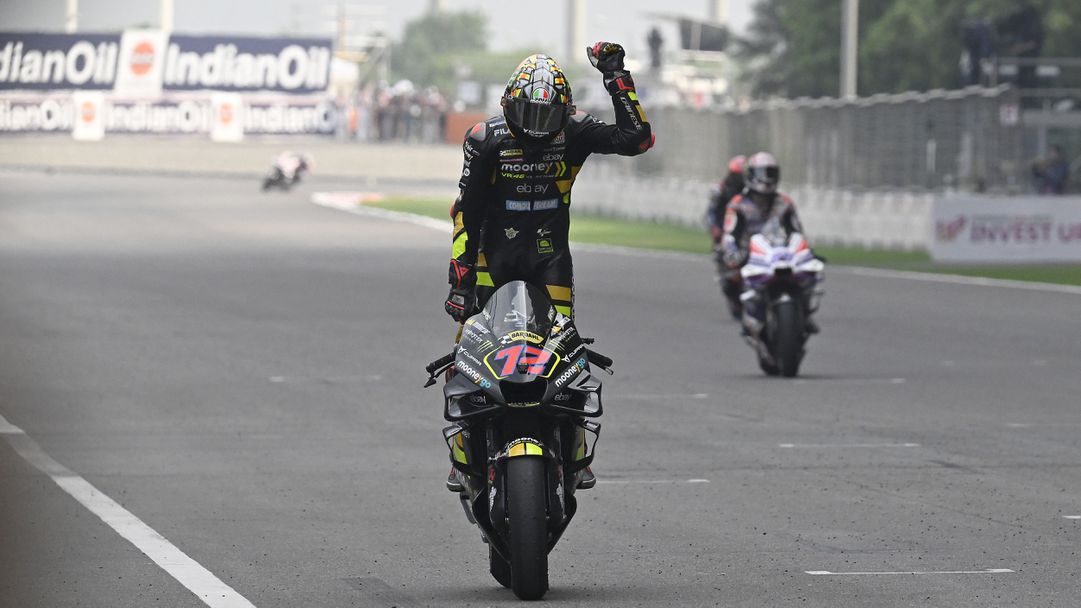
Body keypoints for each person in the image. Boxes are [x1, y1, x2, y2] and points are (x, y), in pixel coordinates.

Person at [443, 43, 654, 491]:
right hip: (491, 260)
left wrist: (615, 76)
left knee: (566, 349)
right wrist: (460, 278)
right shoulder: (484, 138)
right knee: (468, 347)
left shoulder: (576, 129)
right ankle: (463, 451)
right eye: (529, 114)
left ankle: (574, 448)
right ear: (508, 104)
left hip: (549, 259)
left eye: (548, 116)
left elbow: (637, 139)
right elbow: (466, 212)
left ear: (566, 111)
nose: (537, 128)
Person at [718, 152, 814, 332]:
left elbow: (796, 231)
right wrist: (732, 253)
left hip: (779, 251)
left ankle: (804, 313)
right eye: (763, 173)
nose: (767, 179)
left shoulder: (784, 203)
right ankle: (744, 309)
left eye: (771, 173)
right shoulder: (737, 204)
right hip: (749, 253)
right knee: (730, 277)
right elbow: (730, 234)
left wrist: (805, 251)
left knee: (808, 276)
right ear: (751, 175)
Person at [707, 155, 746, 318]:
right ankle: (731, 294)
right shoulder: (721, 190)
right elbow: (712, 212)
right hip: (726, 231)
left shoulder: (754, 191)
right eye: (737, 175)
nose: (740, 179)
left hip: (748, 231)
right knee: (722, 258)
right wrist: (716, 229)